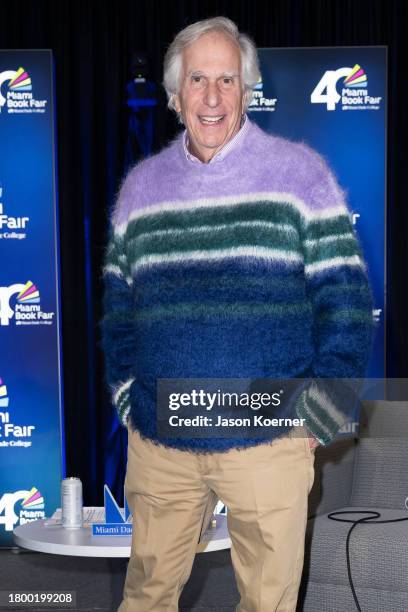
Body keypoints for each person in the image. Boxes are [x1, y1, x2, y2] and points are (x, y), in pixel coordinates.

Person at [102, 16, 373, 612]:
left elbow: (348, 306)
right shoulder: (141, 189)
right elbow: (119, 308)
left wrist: (318, 414)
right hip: (163, 442)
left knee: (267, 604)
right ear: (175, 96)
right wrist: (127, 393)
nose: (213, 97)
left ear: (248, 90)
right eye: (198, 79)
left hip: (269, 440)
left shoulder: (302, 177)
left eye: (228, 79)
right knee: (145, 598)